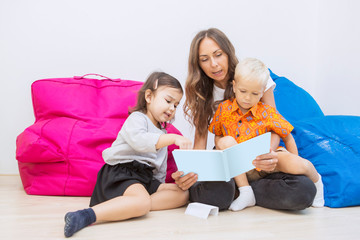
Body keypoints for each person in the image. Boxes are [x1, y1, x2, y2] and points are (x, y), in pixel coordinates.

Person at [172, 28, 317, 211]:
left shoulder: (253, 78)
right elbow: (200, 143)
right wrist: (191, 172)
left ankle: (246, 192)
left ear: (228, 53)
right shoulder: (202, 91)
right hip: (229, 154)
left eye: (218, 55)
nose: (214, 64)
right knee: (213, 194)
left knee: (303, 191)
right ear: (198, 64)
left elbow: (273, 125)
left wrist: (269, 153)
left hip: (259, 157)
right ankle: (243, 190)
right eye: (205, 59)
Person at [64, 72, 192, 237]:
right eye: (168, 101)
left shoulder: (162, 132)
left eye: (176, 105)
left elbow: (160, 166)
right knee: (142, 201)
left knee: (181, 193)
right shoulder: (138, 118)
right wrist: (173, 138)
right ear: (149, 96)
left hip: (144, 178)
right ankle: (86, 215)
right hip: (122, 172)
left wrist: (162, 184)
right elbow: (139, 141)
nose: (171, 108)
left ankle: (127, 206)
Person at [209, 57, 324, 211]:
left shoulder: (268, 112)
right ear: (234, 86)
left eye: (255, 93)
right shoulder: (224, 109)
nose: (247, 98)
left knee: (301, 164)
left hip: (265, 162)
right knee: (225, 141)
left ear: (262, 92)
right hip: (238, 166)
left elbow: (288, 137)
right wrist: (222, 145)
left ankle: (318, 183)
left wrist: (293, 159)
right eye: (243, 91)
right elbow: (217, 134)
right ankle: (246, 191)